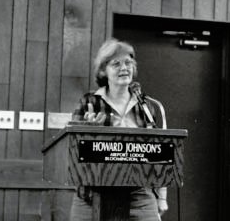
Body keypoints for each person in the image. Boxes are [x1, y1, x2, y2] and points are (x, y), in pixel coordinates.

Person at [70, 38, 168, 221]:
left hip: (139, 196)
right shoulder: (89, 103)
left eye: (128, 63)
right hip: (92, 196)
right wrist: (89, 131)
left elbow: (161, 155)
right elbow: (74, 149)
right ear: (103, 70)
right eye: (116, 64)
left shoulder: (147, 106)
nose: (124, 68)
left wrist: (162, 197)